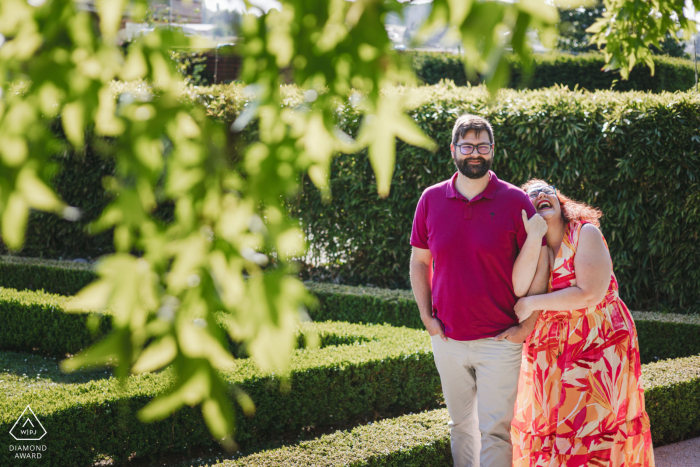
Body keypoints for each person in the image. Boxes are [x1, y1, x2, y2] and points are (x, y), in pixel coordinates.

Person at [409, 114, 549, 467]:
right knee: (460, 425)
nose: (475, 153)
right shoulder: (430, 199)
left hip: (500, 341)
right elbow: (420, 262)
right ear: (454, 150)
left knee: (496, 430)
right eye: (468, 146)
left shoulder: (516, 200)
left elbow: (539, 264)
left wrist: (527, 327)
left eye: (482, 146)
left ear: (492, 151)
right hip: (447, 339)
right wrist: (427, 318)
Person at [510, 179, 655, 467]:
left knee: (591, 425)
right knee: (546, 424)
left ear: (559, 200)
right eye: (531, 195)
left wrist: (531, 304)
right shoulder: (532, 246)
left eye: (546, 191)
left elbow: (591, 293)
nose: (540, 195)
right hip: (549, 347)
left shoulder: (583, 232)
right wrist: (532, 242)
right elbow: (518, 287)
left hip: (596, 338)